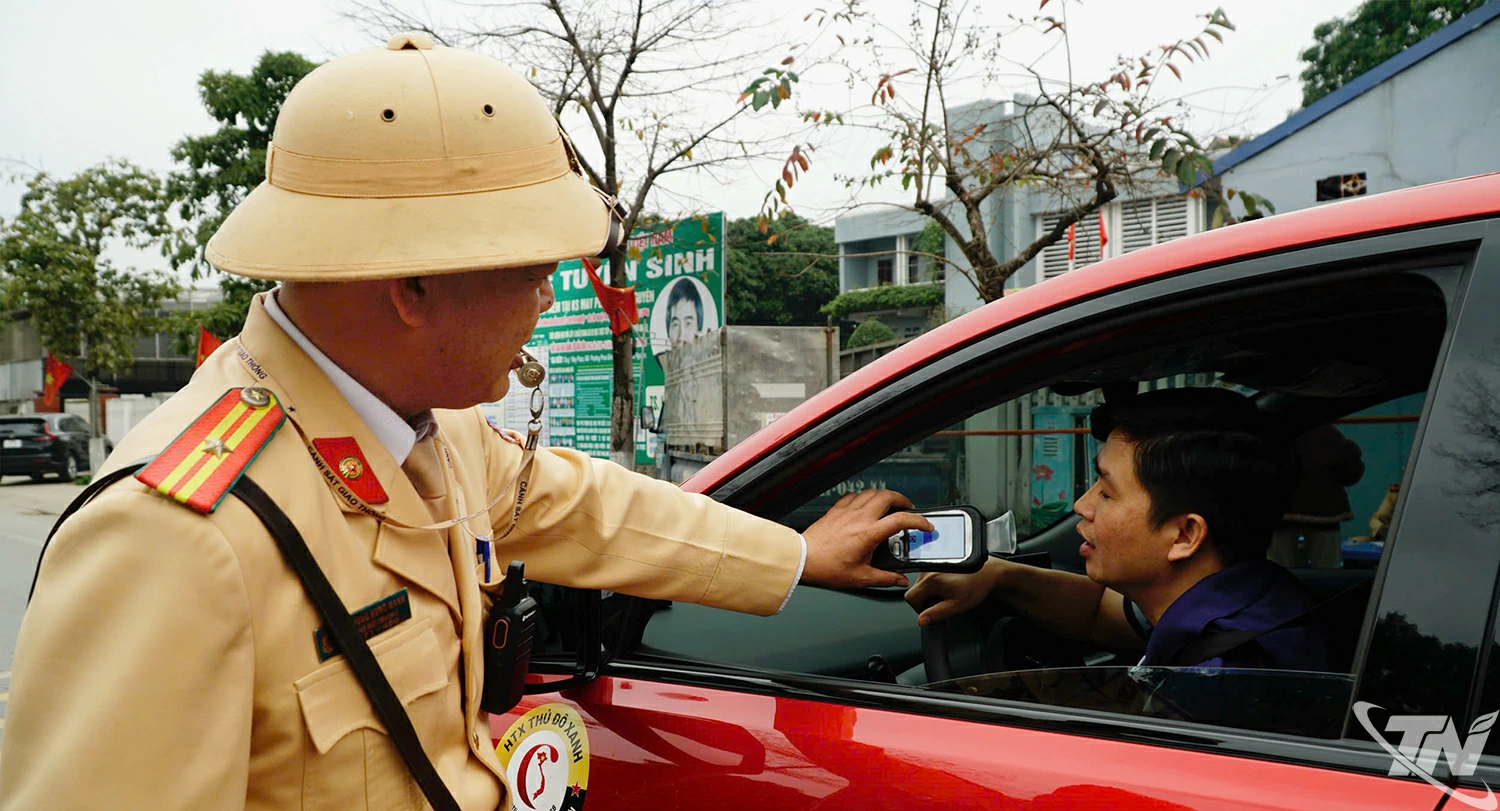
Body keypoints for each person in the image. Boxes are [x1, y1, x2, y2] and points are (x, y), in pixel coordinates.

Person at [0, 33, 930, 811]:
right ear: (412, 286)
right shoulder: (176, 536)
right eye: (533, 269)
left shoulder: (428, 434)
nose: (544, 296)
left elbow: (596, 509)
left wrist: (799, 557)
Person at [906, 387, 1328, 672]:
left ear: (1184, 535)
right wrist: (1000, 575)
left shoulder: (1219, 679)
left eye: (1106, 493)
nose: (1081, 506)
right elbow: (1096, 613)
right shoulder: (1238, 595)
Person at [1269, 423, 1365, 569]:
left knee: (1279, 572)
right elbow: (1351, 471)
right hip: (1325, 514)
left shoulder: (1271, 433)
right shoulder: (1329, 434)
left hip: (1280, 512)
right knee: (1328, 573)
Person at [665, 278, 705, 348]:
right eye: (675, 324)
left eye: (688, 323)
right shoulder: (657, 358)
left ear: (699, 330)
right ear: (668, 332)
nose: (681, 337)